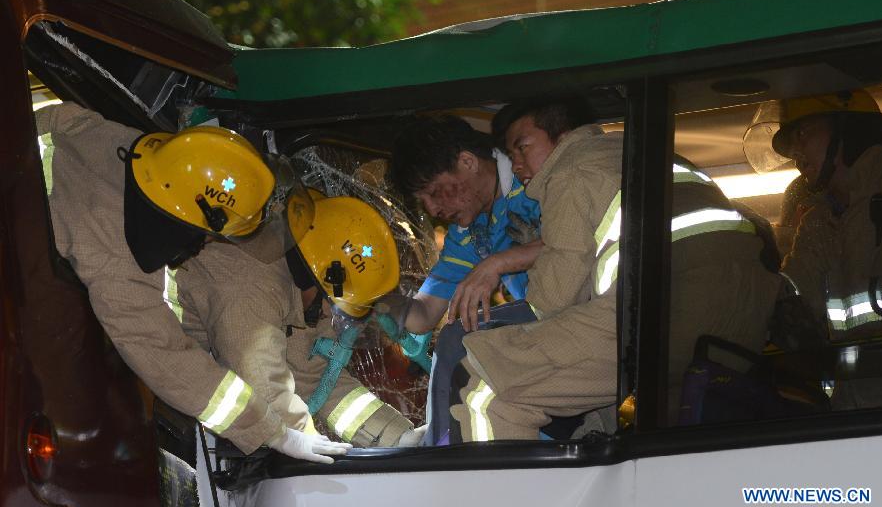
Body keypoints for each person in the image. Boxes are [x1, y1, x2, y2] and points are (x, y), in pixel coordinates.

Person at [447, 97, 783, 441]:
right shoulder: (646, 152)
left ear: (563, 135)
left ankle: (494, 494)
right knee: (603, 415)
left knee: (487, 381)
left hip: (666, 314)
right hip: (740, 328)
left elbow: (551, 300)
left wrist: (509, 321)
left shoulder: (571, 168)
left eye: (522, 147)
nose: (516, 165)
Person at [37, 101, 350, 463]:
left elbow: (56, 117)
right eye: (204, 235)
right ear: (180, 221)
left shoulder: (155, 158)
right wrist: (272, 432)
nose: (206, 247)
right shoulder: (112, 252)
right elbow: (165, 356)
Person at [174, 188, 421, 450]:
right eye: (336, 307)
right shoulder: (248, 288)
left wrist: (399, 438)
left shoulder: (298, 284)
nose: (330, 316)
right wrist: (307, 443)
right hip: (177, 417)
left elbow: (318, 380)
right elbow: (263, 387)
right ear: (317, 274)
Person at [745, 90, 882, 407]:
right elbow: (795, 301)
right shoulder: (819, 220)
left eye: (803, 133)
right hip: (850, 417)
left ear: (849, 129)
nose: (796, 153)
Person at [388, 115, 542, 334]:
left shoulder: (534, 178)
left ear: (467, 162)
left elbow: (579, 238)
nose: (432, 210)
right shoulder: (467, 236)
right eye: (423, 203)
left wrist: (497, 263)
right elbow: (423, 315)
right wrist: (373, 301)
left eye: (434, 192)